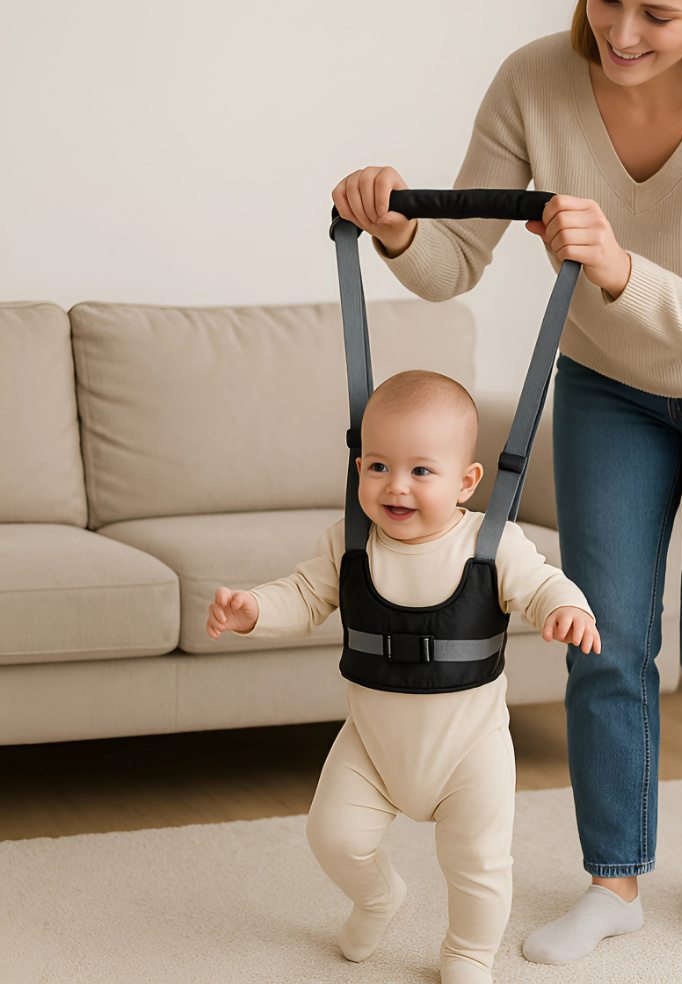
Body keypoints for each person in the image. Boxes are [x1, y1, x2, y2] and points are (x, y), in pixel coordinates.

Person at [331, 0, 682, 966]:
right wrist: (399, 228)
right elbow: (453, 264)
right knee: (605, 635)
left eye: (659, 11)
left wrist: (615, 268)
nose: (623, 32)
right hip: (609, 383)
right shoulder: (534, 81)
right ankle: (614, 880)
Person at [205, 370, 598, 984]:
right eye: (378, 466)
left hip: (470, 751)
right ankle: (378, 896)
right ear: (358, 466)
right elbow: (305, 594)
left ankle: (469, 952)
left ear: (467, 482)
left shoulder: (491, 545)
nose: (396, 487)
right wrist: (254, 610)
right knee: (331, 835)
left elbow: (544, 583)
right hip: (373, 746)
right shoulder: (350, 542)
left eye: (421, 471)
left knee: (478, 863)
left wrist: (566, 609)